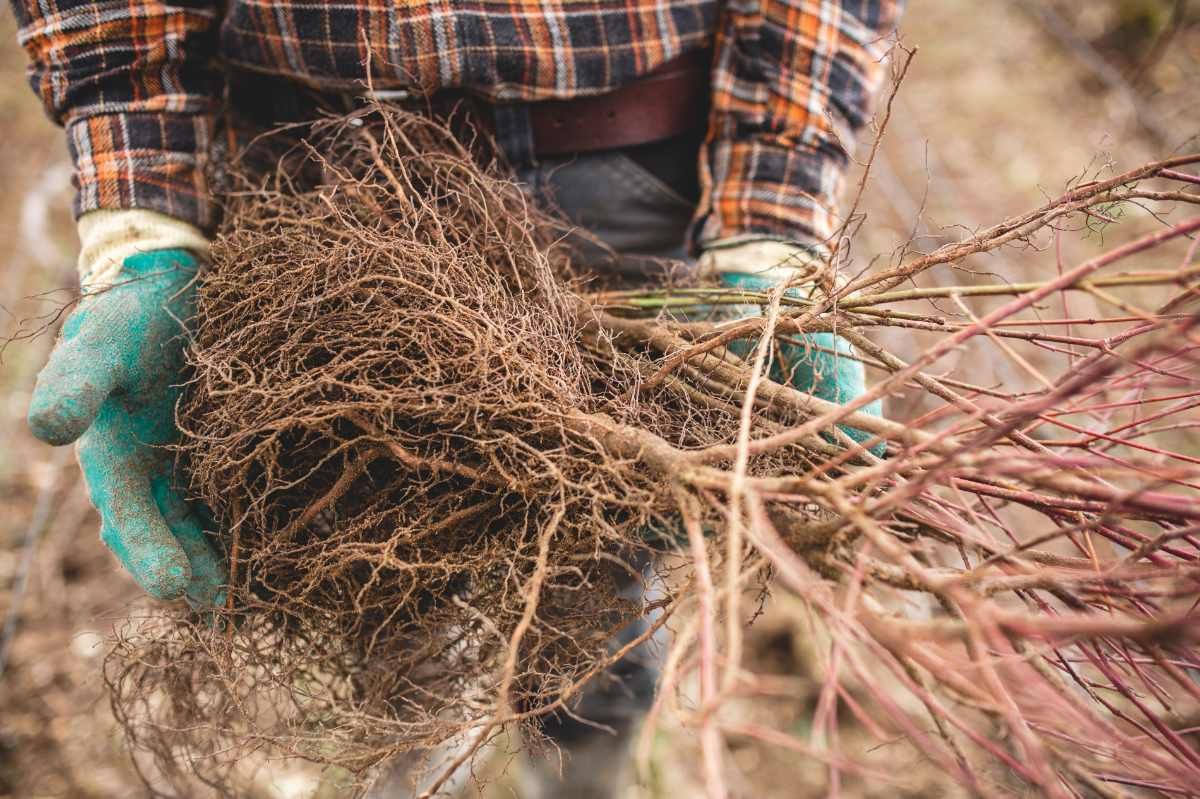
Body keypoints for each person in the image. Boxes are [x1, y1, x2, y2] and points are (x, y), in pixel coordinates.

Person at [10, 0, 903, 795]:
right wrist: (145, 218)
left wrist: (771, 226)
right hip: (318, 181)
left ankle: (589, 779)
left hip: (623, 156)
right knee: (387, 581)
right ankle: (410, 764)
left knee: (598, 581)